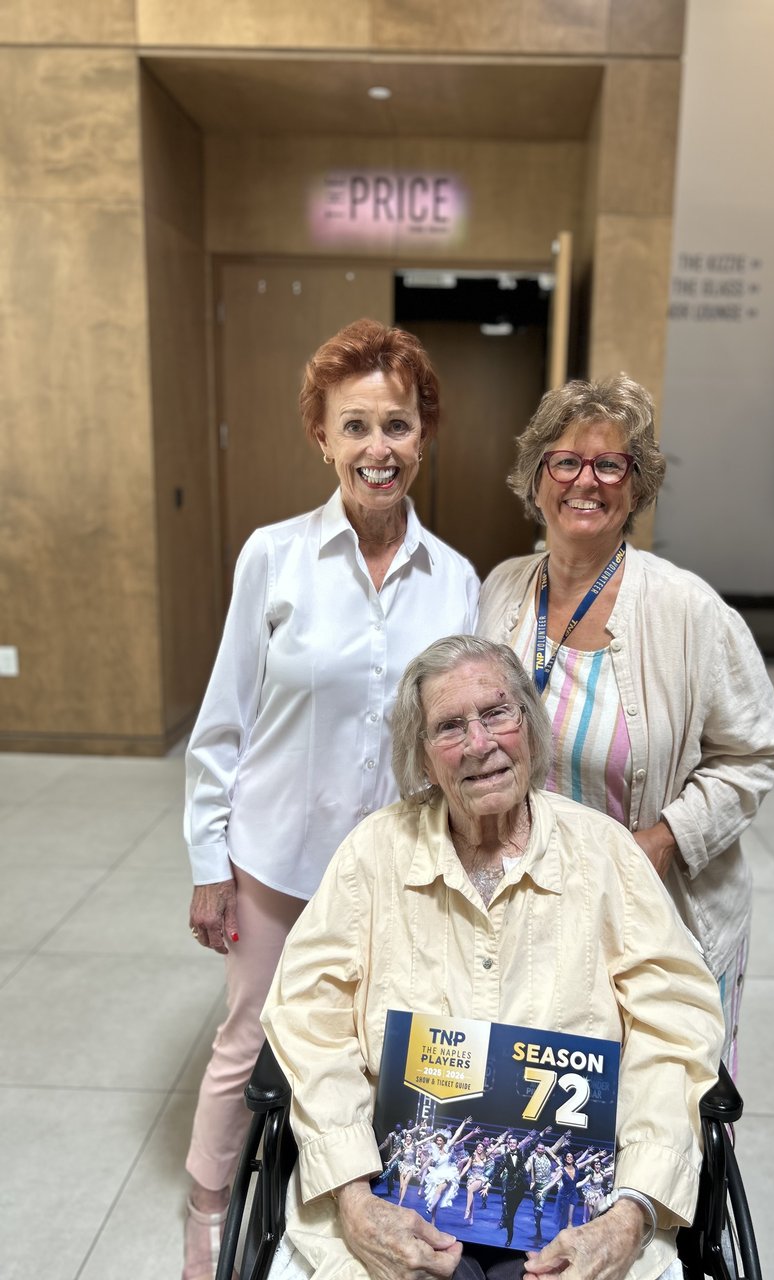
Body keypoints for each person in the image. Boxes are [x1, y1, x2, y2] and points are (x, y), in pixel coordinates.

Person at [261, 635, 724, 1280]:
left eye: (497, 713)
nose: (481, 743)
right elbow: (307, 1017)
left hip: (581, 1206)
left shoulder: (605, 854)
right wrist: (354, 1195)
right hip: (390, 1195)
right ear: (421, 755)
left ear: (529, 728)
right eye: (450, 726)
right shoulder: (373, 855)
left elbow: (675, 1029)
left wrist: (631, 1213)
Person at [181, 320, 480, 1280]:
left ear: (423, 434)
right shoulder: (272, 557)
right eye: (355, 426)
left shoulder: (457, 581)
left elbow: (459, 739)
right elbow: (222, 723)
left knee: (382, 1044)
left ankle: (356, 1208)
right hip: (275, 856)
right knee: (248, 1037)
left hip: (396, 867)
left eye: (396, 424)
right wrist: (207, 865)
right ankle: (207, 1218)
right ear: (321, 436)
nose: (376, 449)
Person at [478, 376, 774, 1071]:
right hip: (534, 909)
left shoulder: (688, 611)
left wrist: (667, 839)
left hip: (652, 913)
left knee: (661, 1110)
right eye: (565, 461)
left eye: (609, 464)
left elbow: (755, 752)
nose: (585, 481)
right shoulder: (501, 589)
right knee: (551, 1110)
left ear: (635, 485)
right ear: (536, 480)